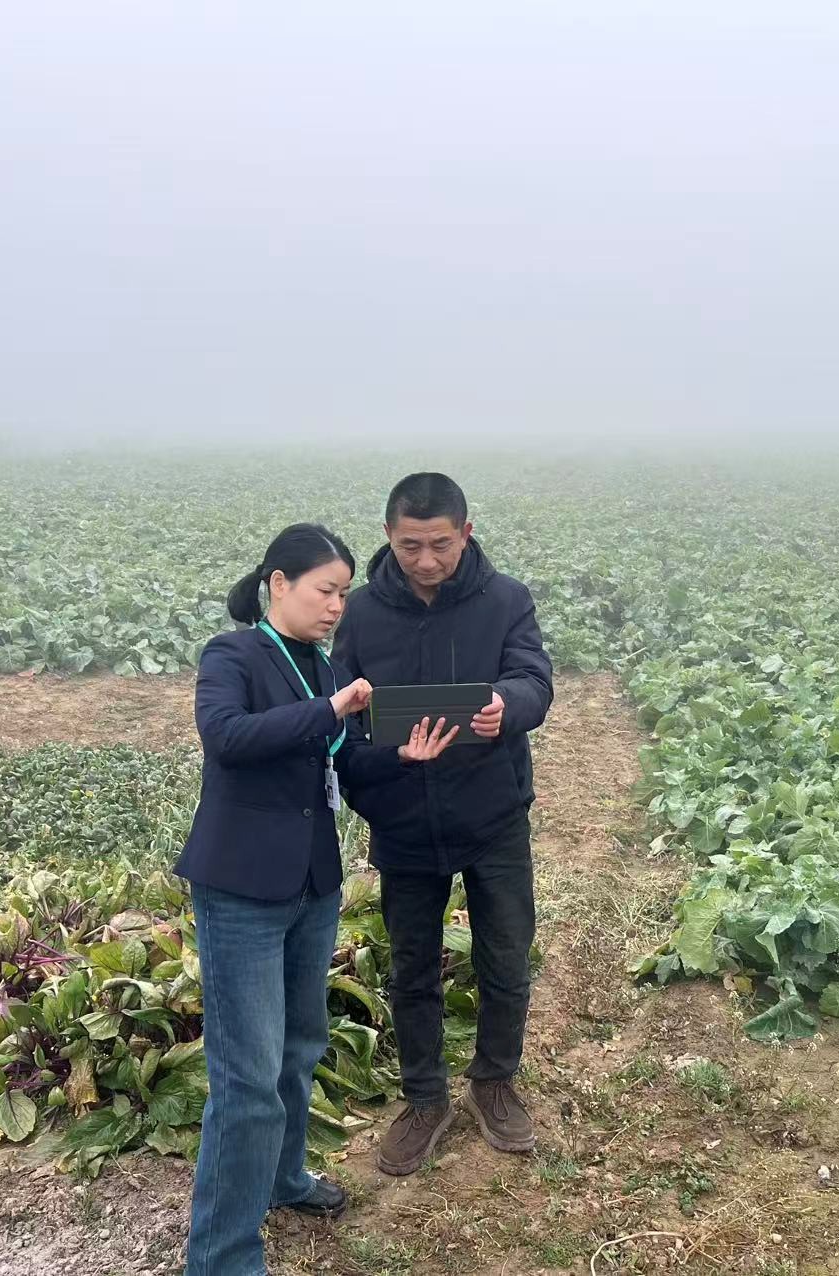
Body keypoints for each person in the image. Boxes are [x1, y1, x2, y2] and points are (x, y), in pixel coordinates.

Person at [174, 522, 458, 1276]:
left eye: (343, 594)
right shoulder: (233, 655)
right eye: (325, 591)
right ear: (279, 584)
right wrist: (332, 711)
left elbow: (347, 766)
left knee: (299, 1049)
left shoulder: (324, 666)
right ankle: (223, 1258)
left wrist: (401, 757)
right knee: (247, 1082)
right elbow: (228, 738)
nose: (337, 606)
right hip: (242, 890)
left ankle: (284, 1177)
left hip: (311, 886)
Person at [330, 473, 554, 1177]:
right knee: (412, 966)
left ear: (466, 532)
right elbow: (342, 718)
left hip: (492, 812)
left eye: (439, 545)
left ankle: (494, 1082)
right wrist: (384, 765)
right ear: (388, 536)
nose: (425, 561)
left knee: (505, 955)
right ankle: (425, 1098)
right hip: (404, 816)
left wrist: (506, 705)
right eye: (409, 546)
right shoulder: (362, 614)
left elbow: (535, 679)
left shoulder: (506, 599)